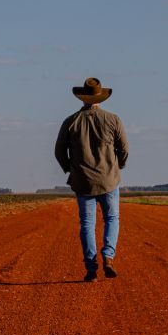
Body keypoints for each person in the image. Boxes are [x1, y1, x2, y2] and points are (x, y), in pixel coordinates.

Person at [55, 77, 129, 282]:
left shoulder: (70, 121)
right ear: (100, 97)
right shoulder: (113, 119)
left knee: (87, 223)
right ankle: (108, 257)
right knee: (112, 219)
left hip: (82, 181)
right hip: (109, 180)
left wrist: (71, 169)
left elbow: (59, 151)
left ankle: (90, 269)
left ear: (82, 98)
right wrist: (118, 166)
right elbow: (124, 149)